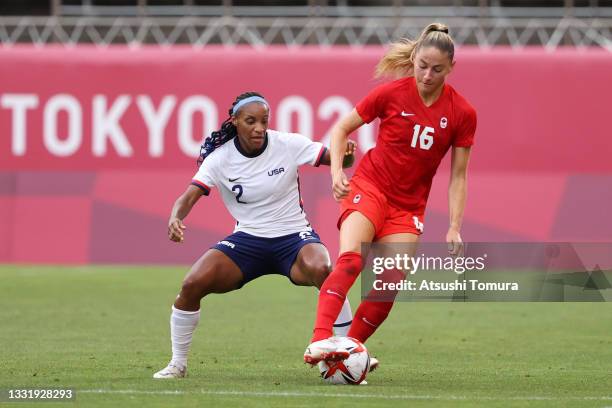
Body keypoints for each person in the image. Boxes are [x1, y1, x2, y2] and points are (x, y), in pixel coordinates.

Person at [303, 23, 478, 367]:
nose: (427, 75)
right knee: (352, 259)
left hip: (408, 206)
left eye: (437, 69)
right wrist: (337, 171)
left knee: (390, 280)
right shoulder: (391, 94)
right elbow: (341, 129)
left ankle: (348, 351)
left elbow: (458, 176)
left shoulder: (462, 113)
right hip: (370, 187)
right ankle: (319, 340)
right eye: (422, 66)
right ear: (413, 58)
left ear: (451, 68)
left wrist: (454, 226)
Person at [154, 92, 356, 379]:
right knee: (191, 284)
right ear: (235, 121)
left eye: (264, 120)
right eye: (251, 121)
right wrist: (176, 217)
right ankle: (178, 364)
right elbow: (188, 197)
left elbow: (337, 158)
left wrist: (345, 154)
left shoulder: (287, 144)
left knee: (324, 269)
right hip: (247, 241)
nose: (259, 127)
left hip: (293, 238)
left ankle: (344, 353)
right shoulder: (220, 159)